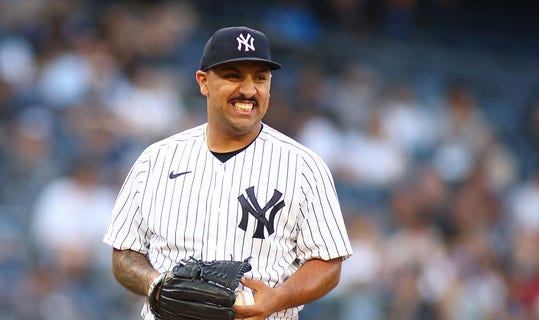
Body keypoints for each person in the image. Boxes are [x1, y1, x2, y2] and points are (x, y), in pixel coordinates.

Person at [103, 26, 353, 320]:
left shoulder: (304, 166)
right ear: (203, 82)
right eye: (233, 76)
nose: (248, 90)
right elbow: (124, 254)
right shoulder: (155, 160)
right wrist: (155, 284)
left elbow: (328, 263)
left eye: (260, 78)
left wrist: (279, 298)